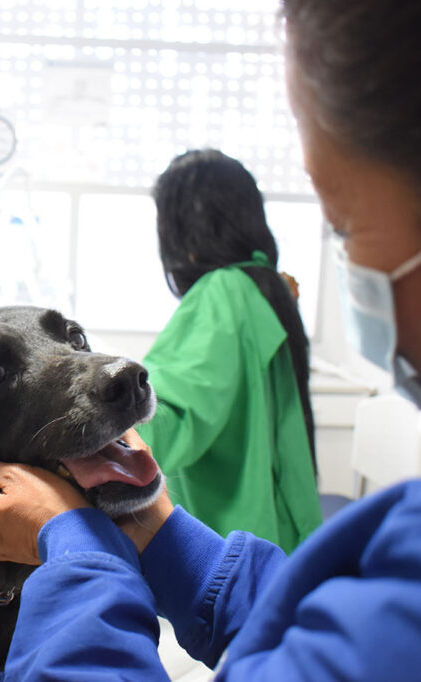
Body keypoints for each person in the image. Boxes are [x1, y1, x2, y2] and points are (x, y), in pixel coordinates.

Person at [0, 1, 421, 678]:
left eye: (346, 223)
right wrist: (157, 535)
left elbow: (173, 416)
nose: (351, 262)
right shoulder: (262, 289)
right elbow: (313, 619)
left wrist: (74, 546)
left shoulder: (220, 296)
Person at [136, 148, 320, 553]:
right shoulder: (264, 287)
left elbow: (165, 422)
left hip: (230, 549)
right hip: (276, 539)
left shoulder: (221, 294)